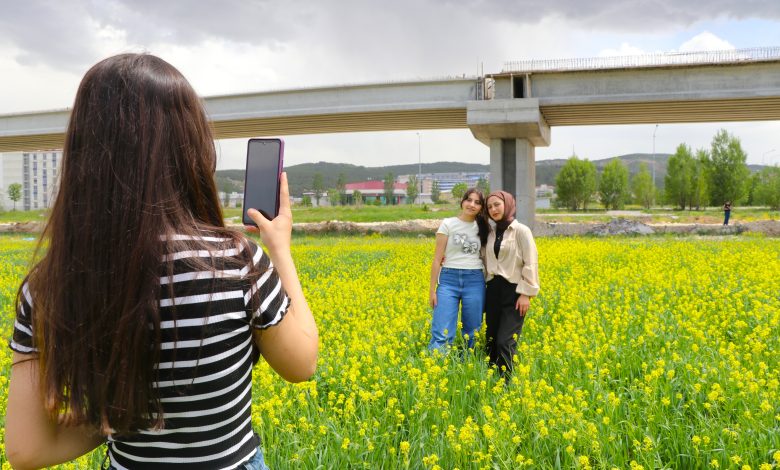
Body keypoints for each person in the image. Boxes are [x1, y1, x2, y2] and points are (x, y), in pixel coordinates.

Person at [5, 53, 318, 470]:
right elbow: (302, 363)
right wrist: (280, 251)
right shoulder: (237, 263)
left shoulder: (49, 286)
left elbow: (26, 451)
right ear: (190, 147)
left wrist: (118, 416)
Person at [484, 191, 539, 379]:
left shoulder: (521, 231)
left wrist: (526, 294)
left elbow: (530, 262)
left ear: (507, 204)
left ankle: (507, 385)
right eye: (489, 206)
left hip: (514, 292)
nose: (493, 209)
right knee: (491, 340)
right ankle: (491, 381)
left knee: (505, 342)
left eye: (497, 204)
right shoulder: (490, 233)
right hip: (492, 291)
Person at [428, 188, 489, 354]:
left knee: (472, 333)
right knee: (442, 332)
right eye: (469, 200)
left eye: (477, 202)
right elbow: (436, 259)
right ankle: (436, 368)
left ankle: (469, 368)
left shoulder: (485, 227)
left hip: (475, 280)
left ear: (482, 207)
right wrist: (432, 291)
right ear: (462, 201)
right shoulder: (448, 224)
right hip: (448, 280)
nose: (472, 205)